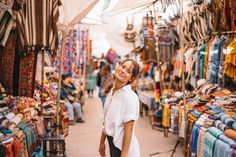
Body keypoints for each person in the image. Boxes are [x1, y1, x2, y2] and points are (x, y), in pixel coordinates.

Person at [99, 59, 140, 157]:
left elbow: (128, 129)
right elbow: (107, 120)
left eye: (128, 71)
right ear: (118, 66)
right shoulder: (112, 91)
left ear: (131, 78)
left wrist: (124, 155)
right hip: (112, 144)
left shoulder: (129, 97)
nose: (123, 71)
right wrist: (102, 142)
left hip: (122, 149)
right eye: (123, 67)